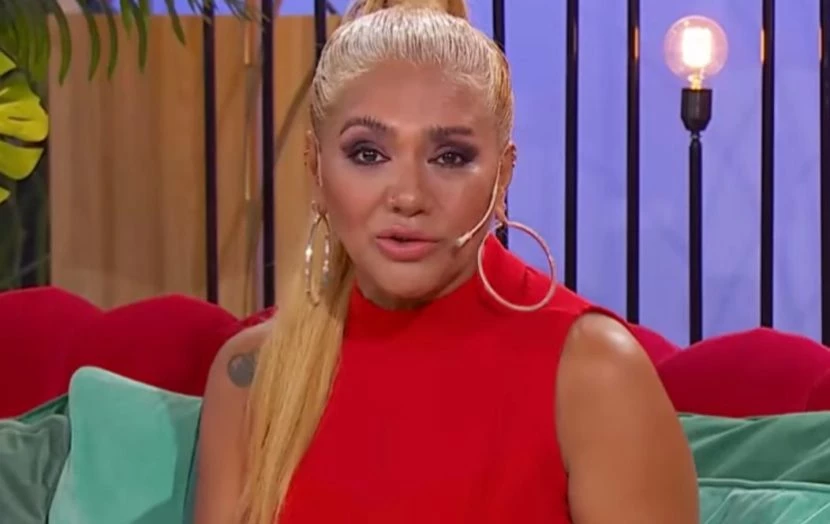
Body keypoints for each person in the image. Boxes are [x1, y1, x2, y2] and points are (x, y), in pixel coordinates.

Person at [194, 0, 699, 522]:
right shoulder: (252, 375)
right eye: (368, 154)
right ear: (315, 168)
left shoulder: (595, 375)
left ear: (503, 176)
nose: (408, 196)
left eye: (450, 157)